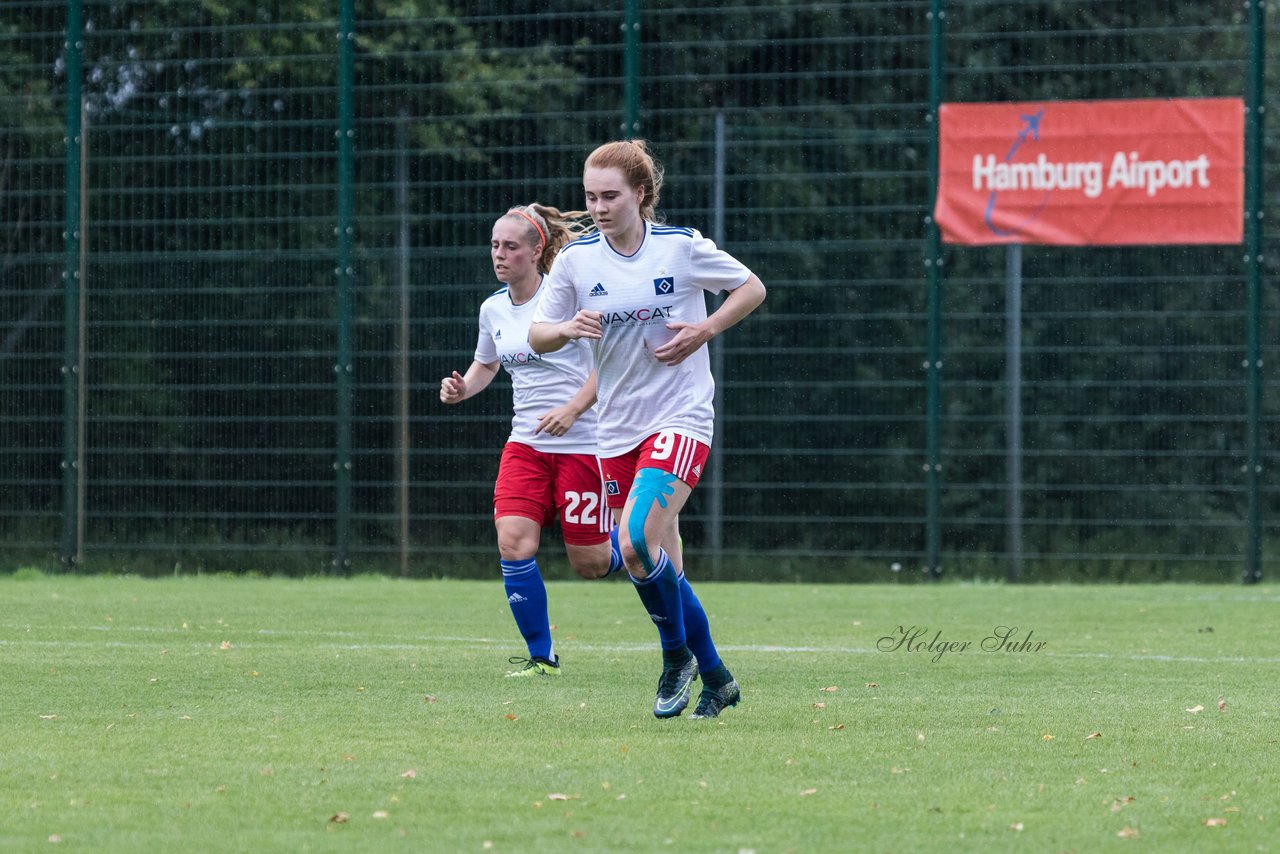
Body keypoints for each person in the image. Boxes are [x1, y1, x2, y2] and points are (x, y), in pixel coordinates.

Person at [529, 140, 767, 719]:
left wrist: (704, 329)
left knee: (634, 540)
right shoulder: (577, 260)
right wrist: (565, 329)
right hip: (615, 430)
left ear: (641, 194)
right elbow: (536, 334)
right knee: (652, 563)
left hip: (681, 416)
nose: (600, 206)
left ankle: (673, 657)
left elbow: (751, 287)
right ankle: (715, 676)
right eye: (591, 196)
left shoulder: (679, 249)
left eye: (611, 195)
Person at [439, 203, 623, 678]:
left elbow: (614, 368)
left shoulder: (569, 301)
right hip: (526, 445)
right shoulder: (493, 307)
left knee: (592, 564)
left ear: (537, 250)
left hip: (584, 444)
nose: (500, 255)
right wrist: (463, 389)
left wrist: (573, 408)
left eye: (511, 247)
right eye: (495, 246)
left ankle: (638, 541)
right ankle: (543, 658)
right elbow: (486, 364)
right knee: (513, 543)